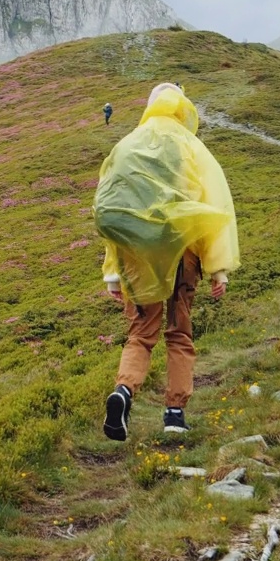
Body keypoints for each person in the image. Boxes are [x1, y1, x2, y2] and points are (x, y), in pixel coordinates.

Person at [93, 83, 239, 440]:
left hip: (137, 254)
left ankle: (124, 392)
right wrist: (218, 266)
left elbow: (113, 209)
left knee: (141, 335)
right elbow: (216, 203)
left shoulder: (126, 146)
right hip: (183, 252)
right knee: (179, 334)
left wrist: (114, 273)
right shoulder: (192, 146)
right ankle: (174, 413)